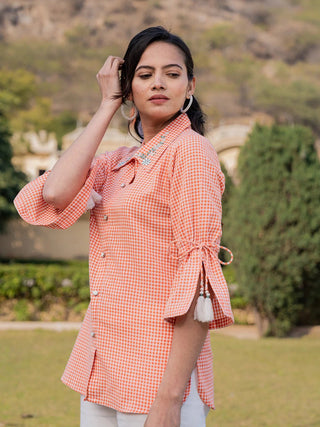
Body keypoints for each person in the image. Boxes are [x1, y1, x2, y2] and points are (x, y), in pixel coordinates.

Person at [14, 26, 234, 427]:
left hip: (158, 376)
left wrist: (169, 400)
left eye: (172, 73)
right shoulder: (118, 162)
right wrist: (105, 107)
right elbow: (54, 194)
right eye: (144, 74)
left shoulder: (190, 154)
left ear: (190, 86)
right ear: (127, 88)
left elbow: (199, 280)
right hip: (103, 366)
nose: (159, 84)